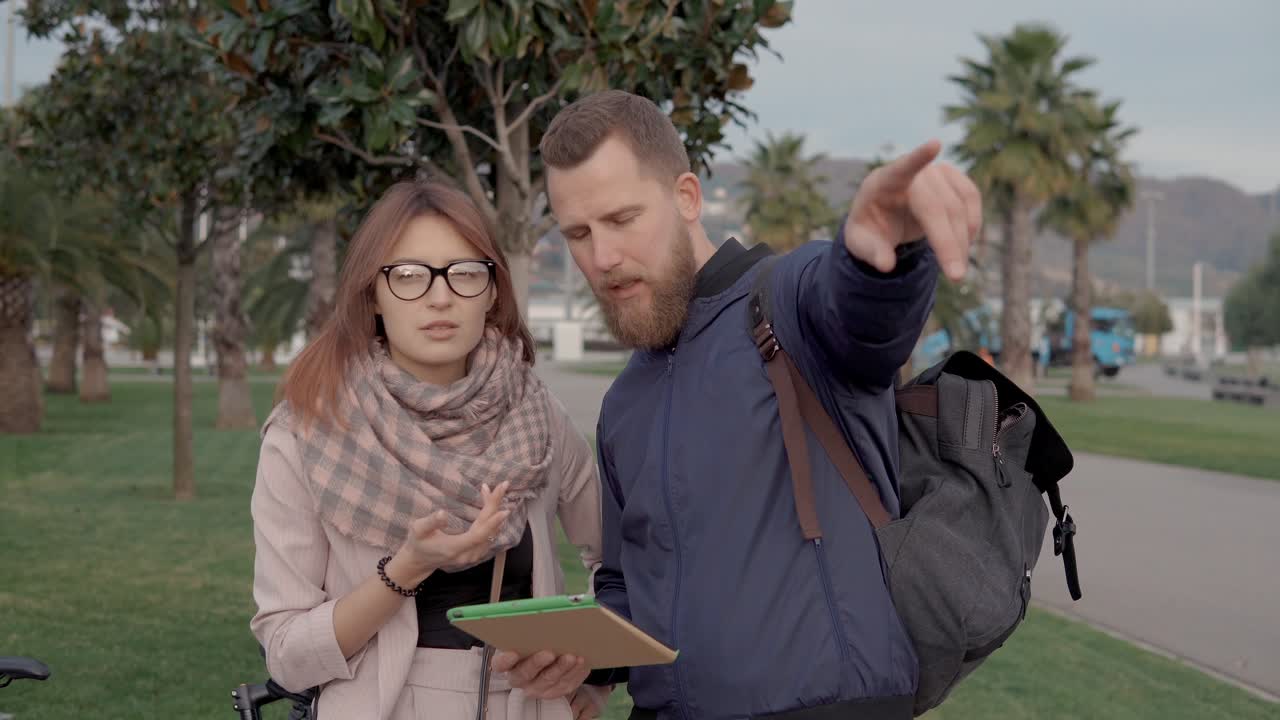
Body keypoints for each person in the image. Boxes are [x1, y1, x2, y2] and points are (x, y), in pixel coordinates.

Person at [494, 90, 981, 719]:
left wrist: (881, 255)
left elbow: (862, 313)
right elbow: (626, 586)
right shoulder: (624, 403)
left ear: (688, 197)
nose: (602, 258)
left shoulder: (791, 303)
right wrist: (584, 656)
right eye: (578, 234)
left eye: (622, 219)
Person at [248, 180, 611, 720]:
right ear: (373, 293)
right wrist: (407, 569)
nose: (440, 297)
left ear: (492, 291)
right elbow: (286, 655)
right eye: (410, 276)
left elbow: (623, 570)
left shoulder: (538, 418)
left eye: (464, 273)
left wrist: (593, 675)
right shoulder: (308, 434)